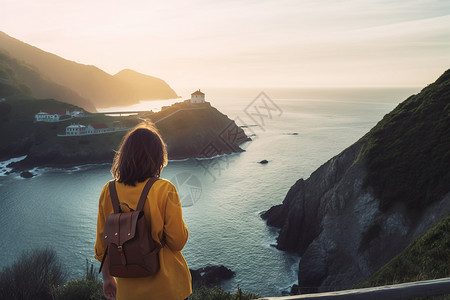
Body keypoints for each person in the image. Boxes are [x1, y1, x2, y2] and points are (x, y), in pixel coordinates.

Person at [95, 122, 192, 300]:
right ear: (157, 158)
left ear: (123, 156)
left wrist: (107, 278)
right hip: (168, 289)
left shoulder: (108, 191)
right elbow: (178, 242)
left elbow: (102, 246)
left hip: (128, 292)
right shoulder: (164, 189)